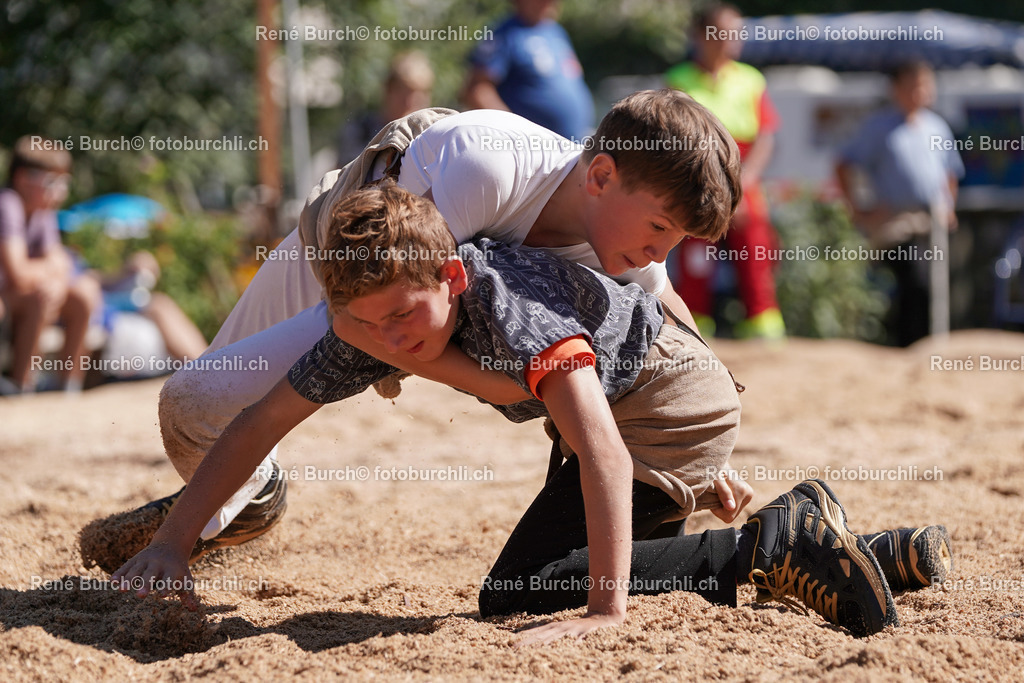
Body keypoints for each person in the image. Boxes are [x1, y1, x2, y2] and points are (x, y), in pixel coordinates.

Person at [110, 183, 953, 642]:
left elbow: (608, 455)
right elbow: (257, 423)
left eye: (403, 316)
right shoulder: (365, 324)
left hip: (660, 410)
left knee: (518, 596)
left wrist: (604, 615)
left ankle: (776, 543)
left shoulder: (508, 305)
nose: (387, 339)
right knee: (595, 554)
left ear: (451, 277)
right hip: (637, 405)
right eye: (361, 322)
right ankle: (879, 552)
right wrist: (171, 542)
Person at [147, 89, 740, 549]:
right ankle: (252, 497)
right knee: (196, 405)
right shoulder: (486, 168)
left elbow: (672, 336)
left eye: (680, 237)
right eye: (661, 227)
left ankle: (220, 511)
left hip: (411, 301)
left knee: (210, 403)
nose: (663, 251)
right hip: (348, 254)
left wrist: (713, 463)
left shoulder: (629, 248)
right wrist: (485, 378)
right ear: (602, 176)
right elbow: (368, 320)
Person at [666, 3, 785, 340]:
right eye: (723, 32)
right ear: (701, 36)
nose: (732, 40)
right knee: (696, 259)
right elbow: (677, 138)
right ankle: (693, 331)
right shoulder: (679, 80)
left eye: (737, 33)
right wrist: (713, 185)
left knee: (755, 256)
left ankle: (765, 331)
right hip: (696, 184)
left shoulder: (751, 79)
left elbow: (766, 135)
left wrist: (743, 183)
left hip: (745, 186)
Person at [835, 60, 964, 347]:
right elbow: (845, 164)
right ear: (896, 89)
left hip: (933, 221)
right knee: (911, 283)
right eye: (914, 85)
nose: (922, 91)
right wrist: (856, 208)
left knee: (937, 287)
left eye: (926, 85)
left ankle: (930, 345)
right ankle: (904, 345)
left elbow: (950, 172)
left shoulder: (936, 125)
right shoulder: (879, 126)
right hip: (896, 222)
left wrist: (949, 206)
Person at [0, 136, 101, 392]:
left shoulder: (42, 212)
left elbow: (62, 264)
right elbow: (19, 274)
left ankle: (67, 386)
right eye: (52, 182)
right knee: (41, 295)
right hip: (7, 297)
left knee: (82, 294)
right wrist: (50, 275)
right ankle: (21, 385)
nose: (61, 191)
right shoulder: (7, 204)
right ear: (23, 179)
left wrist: (53, 278)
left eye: (64, 182)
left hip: (18, 293)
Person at [461, 0, 594, 140]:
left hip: (575, 144)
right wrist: (514, 134)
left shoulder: (556, 31)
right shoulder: (505, 34)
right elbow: (477, 90)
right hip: (534, 153)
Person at [336, 50, 435, 169]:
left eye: (420, 94)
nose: (411, 101)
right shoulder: (361, 131)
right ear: (388, 90)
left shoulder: (431, 137)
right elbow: (344, 177)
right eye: (405, 92)